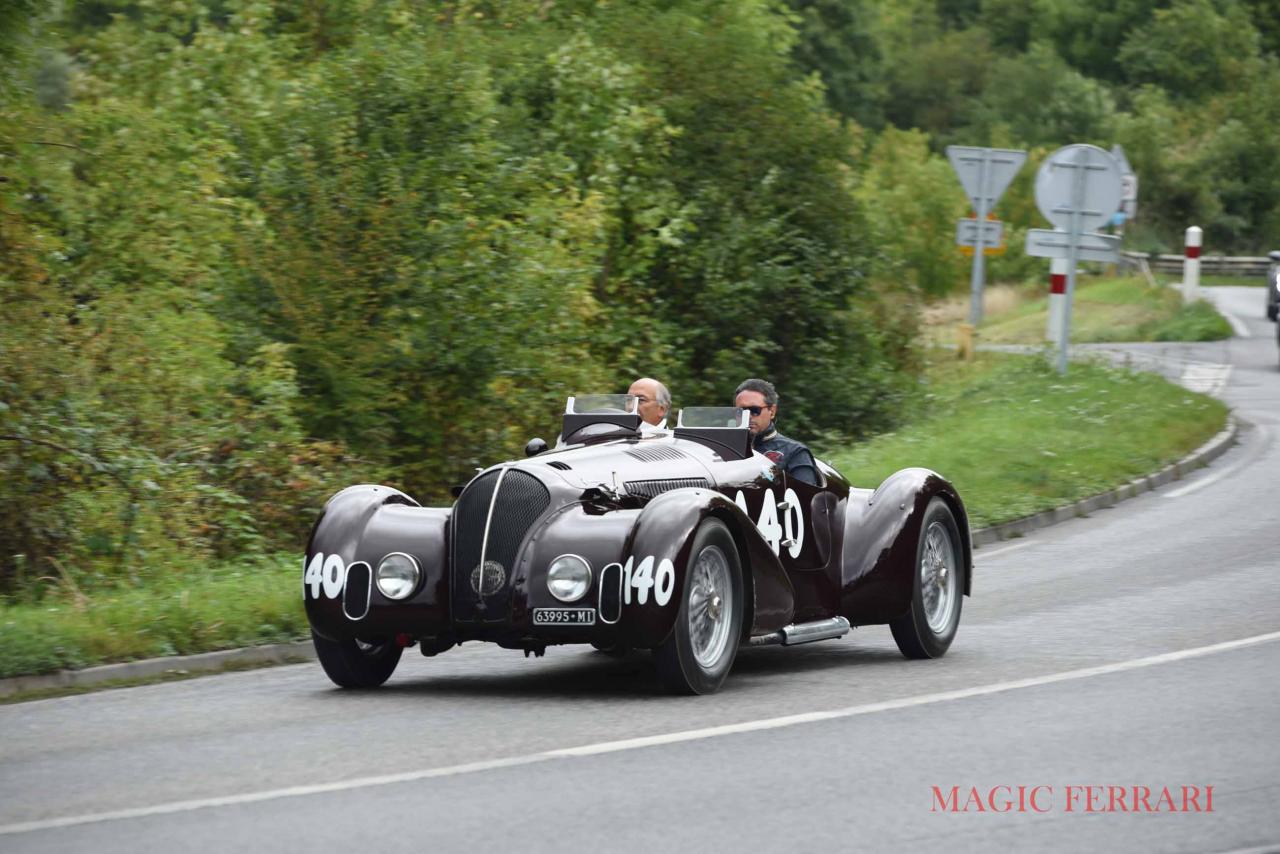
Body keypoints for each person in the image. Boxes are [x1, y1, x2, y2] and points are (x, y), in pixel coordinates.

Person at [733, 378, 819, 486]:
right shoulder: (723, 450)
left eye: (754, 410)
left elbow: (806, 496)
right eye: (740, 411)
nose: (747, 416)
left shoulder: (795, 452)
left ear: (772, 411)